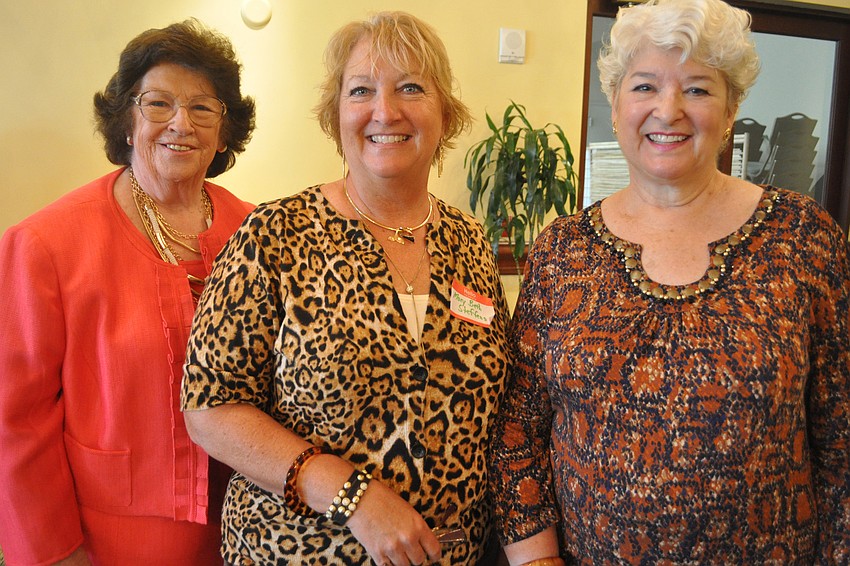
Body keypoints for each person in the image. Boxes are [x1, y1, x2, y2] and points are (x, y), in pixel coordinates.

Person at [488, 0, 850, 564]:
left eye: (699, 89)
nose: (669, 109)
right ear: (615, 105)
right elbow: (518, 429)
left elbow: (841, 437)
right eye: (645, 86)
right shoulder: (561, 251)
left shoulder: (802, 238)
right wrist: (536, 559)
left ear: (731, 109)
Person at [181, 10, 510, 566]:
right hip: (299, 553)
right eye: (362, 90)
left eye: (411, 87)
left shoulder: (470, 242)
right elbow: (210, 408)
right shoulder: (275, 235)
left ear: (445, 113)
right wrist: (352, 496)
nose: (386, 111)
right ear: (336, 116)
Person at [0, 19, 256, 565]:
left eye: (203, 108)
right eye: (157, 103)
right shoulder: (45, 244)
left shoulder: (258, 232)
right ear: (125, 119)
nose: (180, 124)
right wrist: (55, 550)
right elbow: (15, 420)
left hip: (246, 530)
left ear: (225, 130)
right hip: (109, 539)